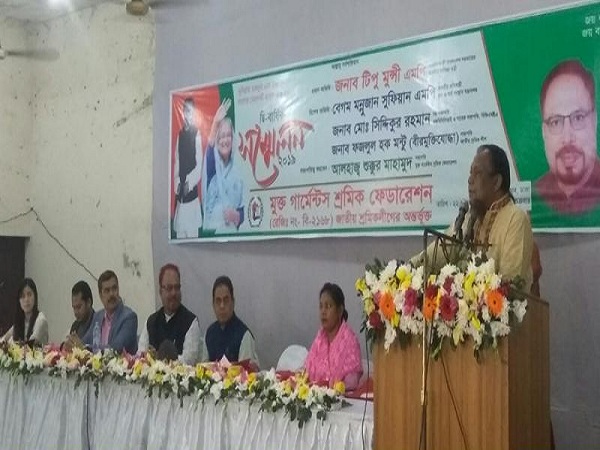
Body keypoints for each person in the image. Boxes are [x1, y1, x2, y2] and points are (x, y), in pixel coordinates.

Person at [412, 145, 534, 291]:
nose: (470, 180)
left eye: (477, 173)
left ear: (496, 182)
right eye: (470, 173)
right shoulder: (469, 218)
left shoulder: (516, 219)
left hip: (497, 304)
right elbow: (434, 255)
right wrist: (405, 270)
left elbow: (511, 287)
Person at [535, 59, 600, 215]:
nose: (567, 138)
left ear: (594, 121)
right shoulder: (536, 194)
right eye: (555, 122)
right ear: (544, 132)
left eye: (578, 118)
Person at [138, 263, 202, 365]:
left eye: (177, 287)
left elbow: (188, 360)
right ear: (160, 291)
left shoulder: (191, 322)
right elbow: (141, 356)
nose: (173, 293)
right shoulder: (151, 322)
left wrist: (157, 359)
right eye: (169, 288)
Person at [304, 283, 363, 390]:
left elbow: (353, 381)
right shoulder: (319, 340)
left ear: (340, 311)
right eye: (321, 306)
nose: (323, 312)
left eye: (328, 306)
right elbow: (306, 373)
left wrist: (333, 387)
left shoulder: (350, 342)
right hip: (314, 397)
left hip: (342, 398)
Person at [203, 98, 246, 232]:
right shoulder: (212, 169)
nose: (225, 140)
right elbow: (210, 152)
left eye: (228, 135)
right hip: (213, 233)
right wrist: (215, 124)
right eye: (221, 136)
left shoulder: (239, 172)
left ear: (233, 139)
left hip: (232, 235)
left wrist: (236, 215)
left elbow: (247, 210)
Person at [202, 275, 259, 368]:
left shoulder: (244, 336)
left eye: (226, 300)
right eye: (218, 301)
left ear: (233, 302)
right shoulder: (209, 334)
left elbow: (247, 373)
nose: (222, 306)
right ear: (213, 305)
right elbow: (203, 369)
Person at [80, 270, 138, 354]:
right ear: (100, 295)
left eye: (114, 288)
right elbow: (84, 342)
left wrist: (86, 347)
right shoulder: (97, 316)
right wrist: (73, 344)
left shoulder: (129, 317)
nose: (111, 294)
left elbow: (116, 348)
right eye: (107, 290)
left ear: (118, 290)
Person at [173, 97, 203, 238]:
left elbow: (199, 164)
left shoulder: (197, 134)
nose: (187, 114)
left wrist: (189, 183)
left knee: (192, 235)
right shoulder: (180, 135)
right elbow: (177, 161)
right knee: (180, 235)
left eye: (190, 111)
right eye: (185, 110)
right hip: (180, 198)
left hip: (191, 198)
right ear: (183, 112)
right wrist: (177, 183)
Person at [0, 278, 48, 346]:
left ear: (35, 297)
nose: (26, 300)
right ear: (19, 301)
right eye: (22, 296)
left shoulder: (41, 320)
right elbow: (3, 340)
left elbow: (29, 346)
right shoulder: (20, 321)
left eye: (29, 294)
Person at [62, 281, 95, 351]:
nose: (76, 312)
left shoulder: (99, 323)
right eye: (74, 308)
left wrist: (82, 349)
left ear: (89, 302)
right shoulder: (75, 326)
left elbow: (101, 353)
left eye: (79, 307)